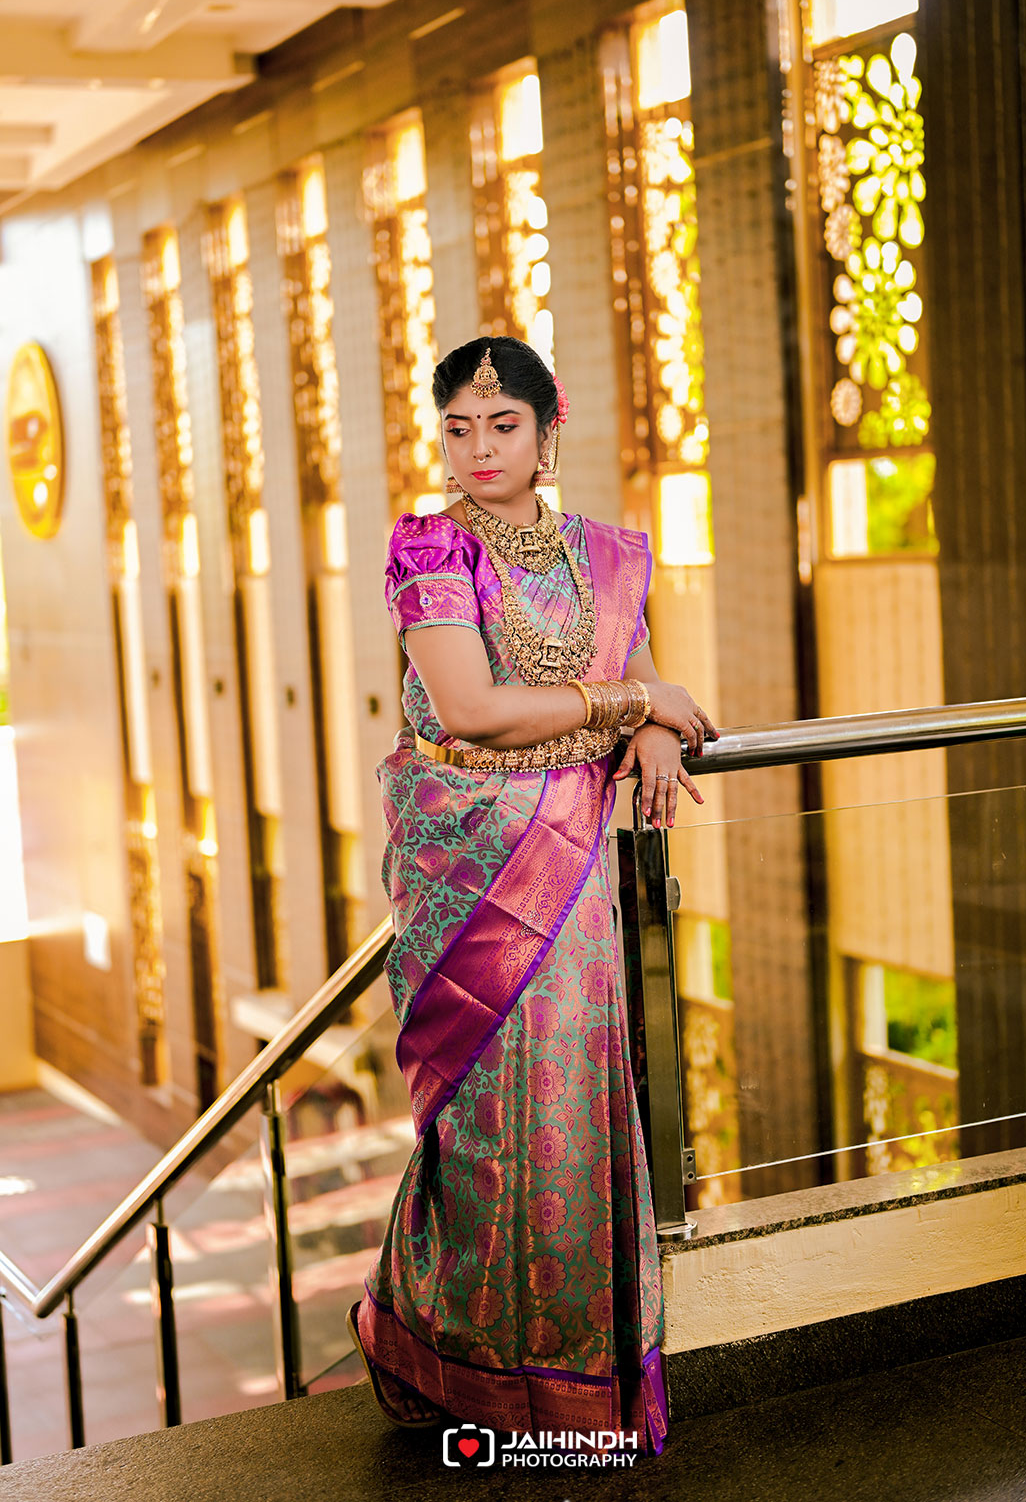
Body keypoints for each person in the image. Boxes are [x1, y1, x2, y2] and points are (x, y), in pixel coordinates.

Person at [347, 336, 717, 1455]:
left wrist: (655, 728)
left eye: (503, 425)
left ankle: (572, 1390)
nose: (479, 448)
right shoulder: (431, 549)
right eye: (458, 428)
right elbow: (469, 708)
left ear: (549, 432)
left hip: (571, 872)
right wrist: (630, 707)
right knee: (481, 1121)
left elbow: (638, 668)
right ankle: (457, 1365)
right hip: (468, 868)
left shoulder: (602, 554)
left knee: (571, 1114)